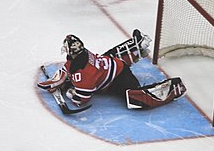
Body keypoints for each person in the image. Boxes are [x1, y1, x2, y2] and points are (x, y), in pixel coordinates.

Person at [38, 31, 187, 110]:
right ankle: (135, 46)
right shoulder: (83, 54)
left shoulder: (84, 76)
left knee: (133, 98)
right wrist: (61, 80)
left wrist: (71, 92)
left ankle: (173, 87)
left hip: (119, 80)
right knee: (106, 57)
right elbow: (69, 68)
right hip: (112, 66)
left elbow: (82, 99)